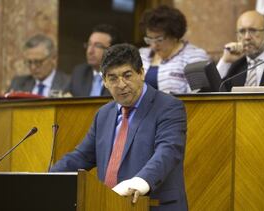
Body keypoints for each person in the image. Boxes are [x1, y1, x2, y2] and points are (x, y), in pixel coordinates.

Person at [50, 43, 188, 211]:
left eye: (127, 75)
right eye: (113, 78)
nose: (121, 84)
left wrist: (140, 182)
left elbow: (168, 151)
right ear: (105, 82)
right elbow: (80, 157)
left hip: (152, 206)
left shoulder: (168, 107)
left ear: (141, 73)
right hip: (109, 206)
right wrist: (47, 179)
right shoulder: (104, 114)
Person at [139, 5, 209, 94]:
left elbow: (196, 96)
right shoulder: (142, 54)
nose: (153, 45)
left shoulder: (194, 56)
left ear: (175, 36)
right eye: (149, 39)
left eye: (159, 40)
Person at [67, 24, 120, 97]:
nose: (90, 51)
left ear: (112, 50)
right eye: (89, 44)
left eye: (98, 46)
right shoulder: (79, 73)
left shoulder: (120, 76)